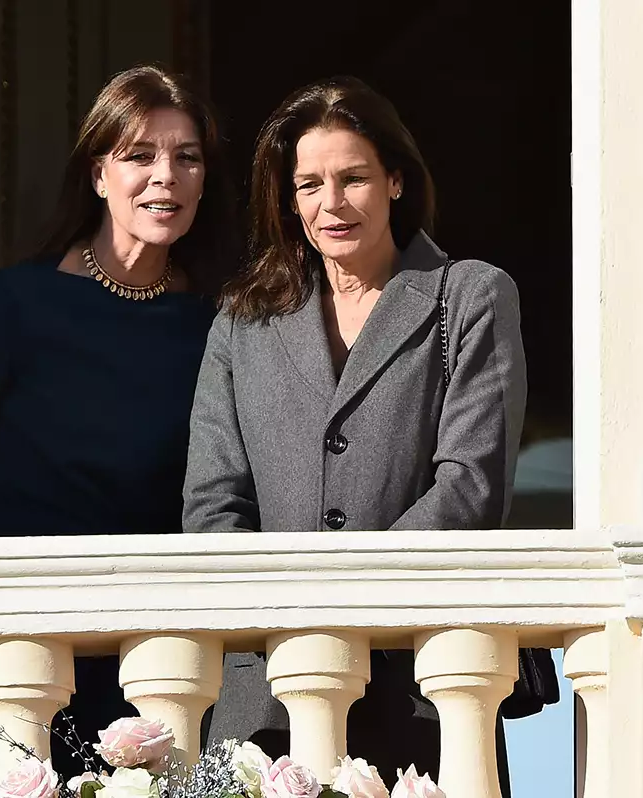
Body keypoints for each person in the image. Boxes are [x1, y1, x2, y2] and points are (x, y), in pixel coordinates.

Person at [0, 65, 237, 774]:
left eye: (186, 157)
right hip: (0, 644)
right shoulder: (17, 303)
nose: (166, 175)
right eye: (140, 155)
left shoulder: (220, 324)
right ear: (99, 174)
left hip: (141, 656)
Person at [182, 77, 526, 791]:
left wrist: (348, 608)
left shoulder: (469, 296)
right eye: (309, 184)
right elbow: (213, 507)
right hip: (265, 698)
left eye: (353, 178)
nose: (330, 204)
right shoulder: (242, 321)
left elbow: (470, 489)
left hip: (420, 684)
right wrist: (288, 624)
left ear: (396, 179)